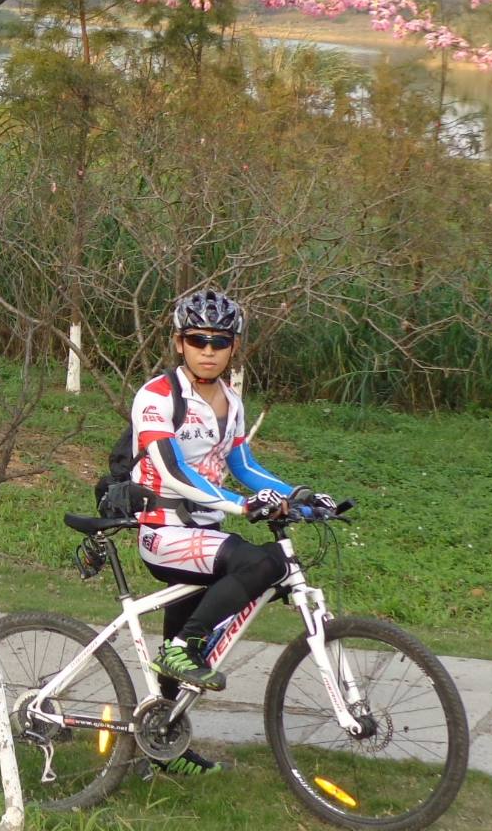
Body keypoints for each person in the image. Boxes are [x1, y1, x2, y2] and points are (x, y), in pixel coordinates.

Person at [112, 287, 337, 777]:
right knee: (263, 563)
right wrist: (240, 504)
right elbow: (171, 470)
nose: (208, 350)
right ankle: (180, 650)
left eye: (219, 341)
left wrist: (299, 494)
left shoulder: (231, 402)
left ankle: (162, 742)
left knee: (194, 613)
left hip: (205, 534)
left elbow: (244, 465)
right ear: (178, 342)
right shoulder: (156, 397)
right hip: (164, 529)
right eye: (197, 340)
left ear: (234, 346)